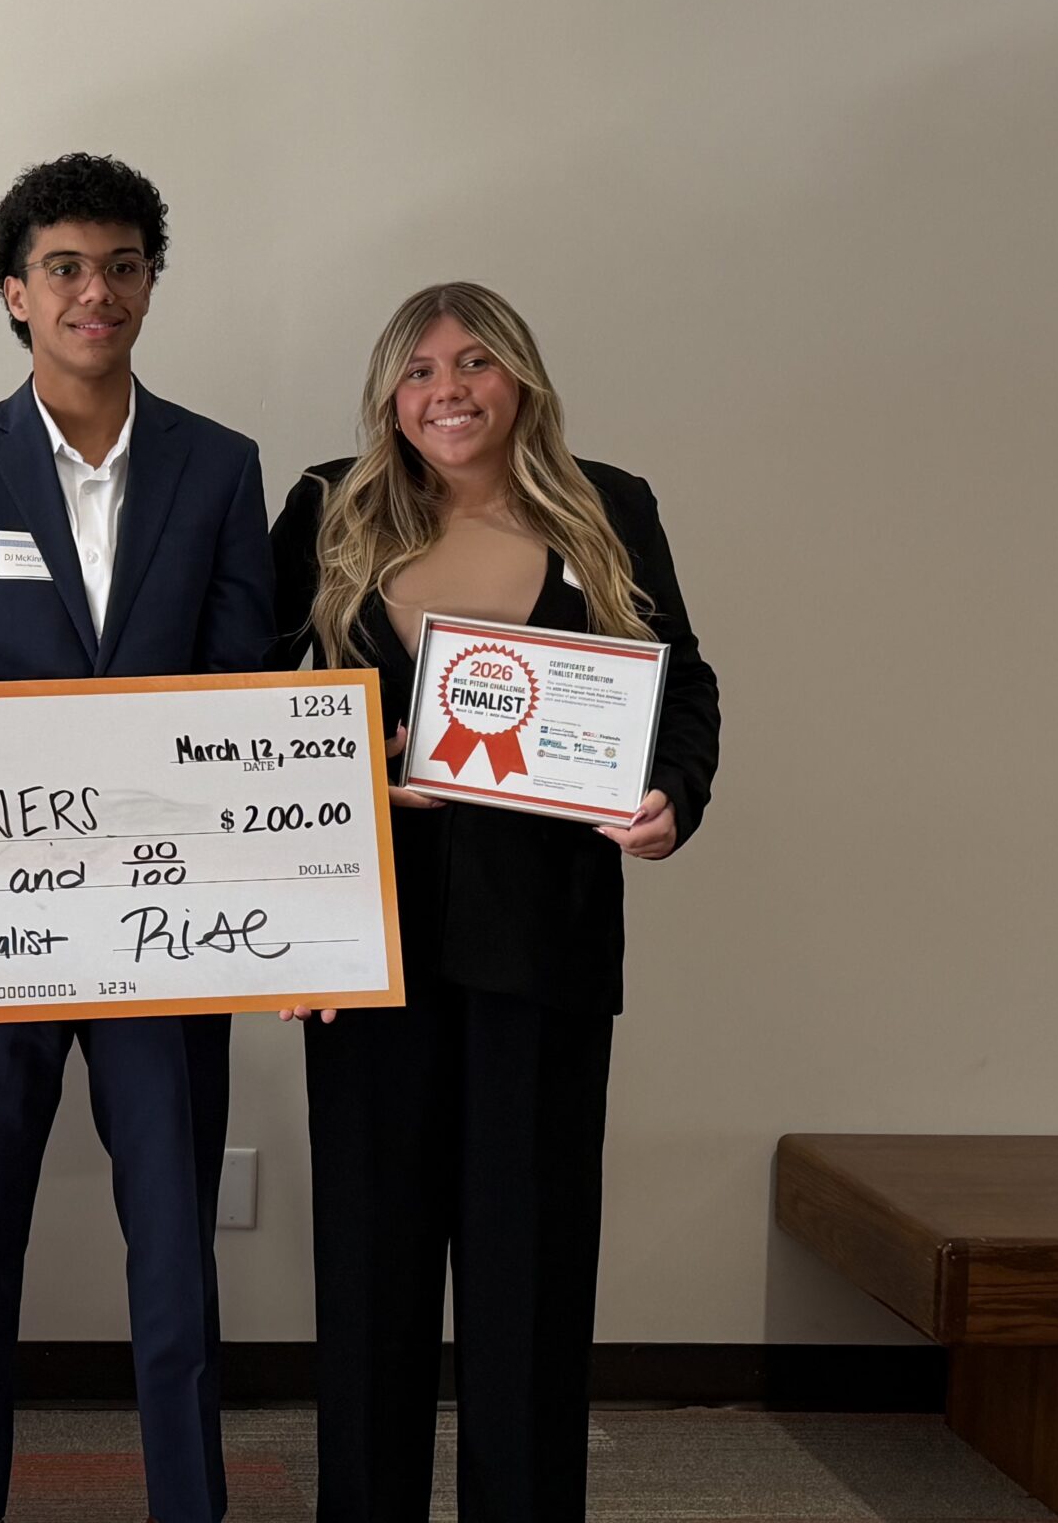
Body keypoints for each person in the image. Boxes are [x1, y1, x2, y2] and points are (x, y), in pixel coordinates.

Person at [266, 281, 720, 1523]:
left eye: (473, 362)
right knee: (372, 1272)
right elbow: (245, 710)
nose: (447, 390)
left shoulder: (609, 506)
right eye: (417, 371)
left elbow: (682, 684)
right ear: (386, 397)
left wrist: (673, 796)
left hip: (545, 944)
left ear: (519, 376)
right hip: (365, 944)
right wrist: (353, 775)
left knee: (529, 1277)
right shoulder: (327, 506)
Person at [0, 154, 272, 1523]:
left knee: (172, 1239)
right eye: (64, 268)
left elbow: (243, 696)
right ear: (16, 292)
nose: (93, 291)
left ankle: (190, 1504)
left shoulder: (220, 467)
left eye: (120, 266)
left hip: (169, 919)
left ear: (149, 286)